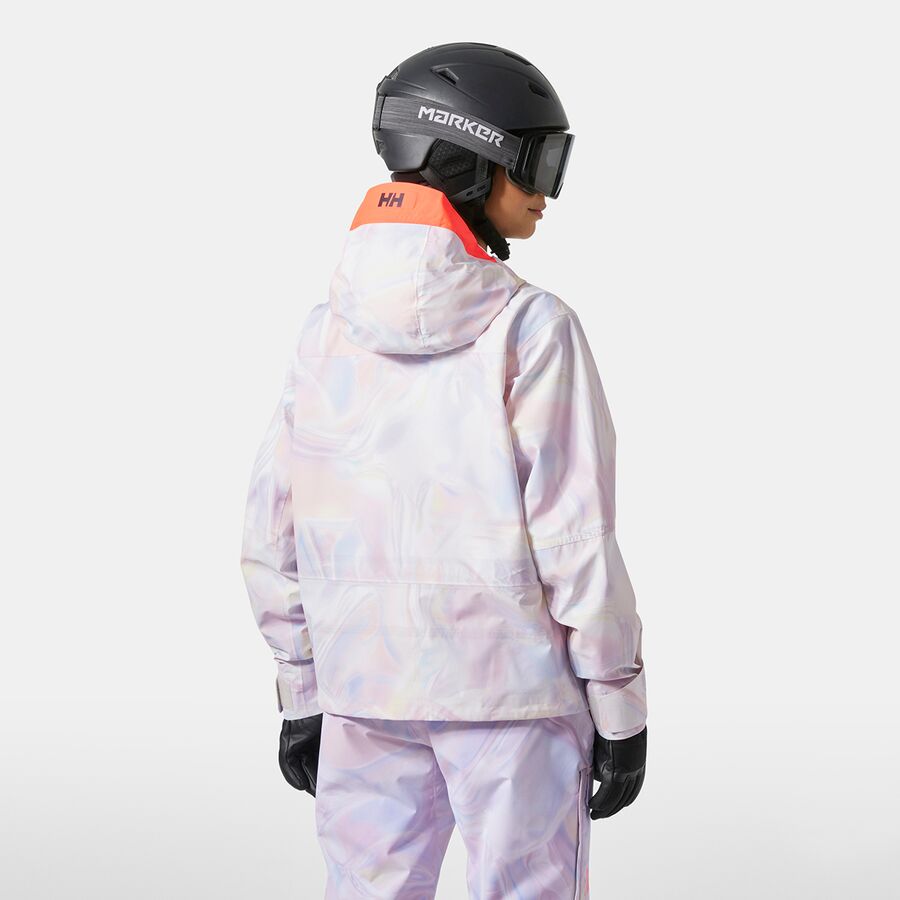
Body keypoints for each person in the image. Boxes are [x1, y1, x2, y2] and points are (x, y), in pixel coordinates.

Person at [240, 41, 648, 899]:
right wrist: (618, 704)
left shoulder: (325, 332)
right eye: (535, 160)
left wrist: (303, 688)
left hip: (363, 690)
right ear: (473, 159)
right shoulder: (533, 330)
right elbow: (575, 538)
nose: (545, 191)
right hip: (517, 703)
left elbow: (273, 530)